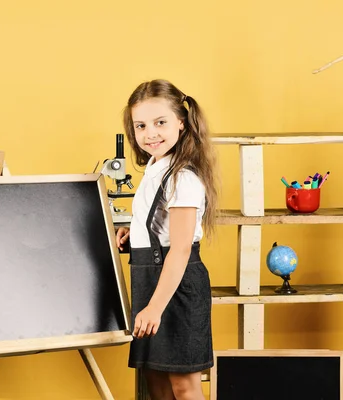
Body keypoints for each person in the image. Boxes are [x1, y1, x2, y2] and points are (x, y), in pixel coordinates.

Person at [116, 79, 219, 400]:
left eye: (160, 123)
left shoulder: (182, 177)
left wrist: (154, 308)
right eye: (141, 125)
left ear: (182, 123)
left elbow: (182, 247)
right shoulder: (155, 167)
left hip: (176, 287)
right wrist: (138, 235)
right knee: (156, 380)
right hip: (151, 280)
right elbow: (162, 226)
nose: (151, 133)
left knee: (183, 386)